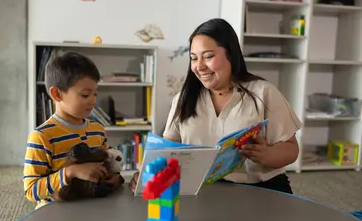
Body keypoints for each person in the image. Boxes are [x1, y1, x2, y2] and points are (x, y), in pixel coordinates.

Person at [129, 18, 302, 194]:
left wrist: (266, 155)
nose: (199, 66)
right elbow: (168, 151)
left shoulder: (263, 92)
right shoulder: (184, 98)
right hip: (202, 190)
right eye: (194, 58)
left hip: (260, 190)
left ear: (231, 54)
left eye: (208, 56)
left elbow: (291, 149)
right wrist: (146, 174)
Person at [23, 51, 118, 209]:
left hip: (93, 207)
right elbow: (31, 190)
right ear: (57, 94)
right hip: (56, 212)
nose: (93, 101)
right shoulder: (42, 137)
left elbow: (105, 168)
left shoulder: (98, 130)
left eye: (95, 94)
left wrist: (113, 178)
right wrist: (70, 172)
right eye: (85, 95)